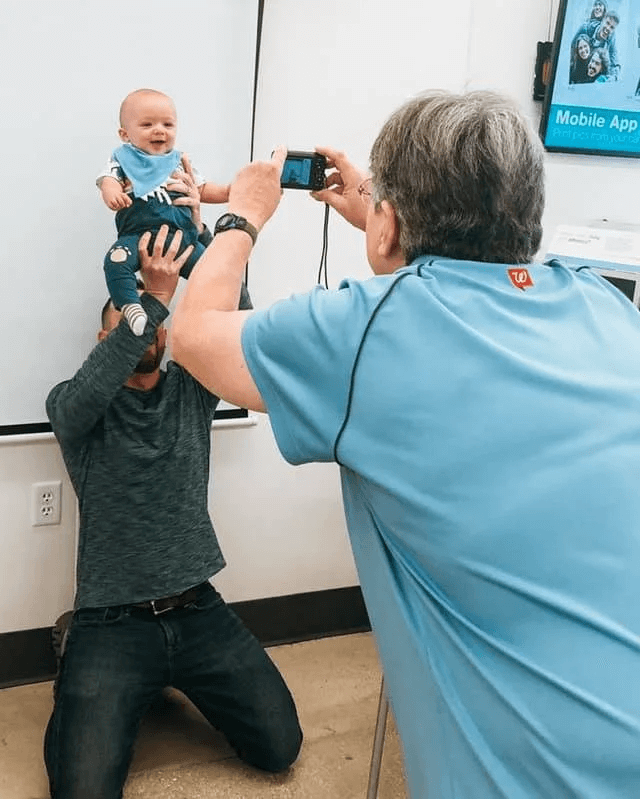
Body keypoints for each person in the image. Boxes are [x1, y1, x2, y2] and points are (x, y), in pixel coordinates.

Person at [170, 90, 640, 798]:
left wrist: (242, 215)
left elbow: (193, 334)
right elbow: (468, 277)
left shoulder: (366, 332)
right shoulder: (606, 305)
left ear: (388, 227)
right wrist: (378, 215)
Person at [44, 223, 302, 799]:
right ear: (102, 339)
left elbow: (239, 329)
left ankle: (161, 681)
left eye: (153, 320)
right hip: (110, 623)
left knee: (279, 747)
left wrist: (201, 240)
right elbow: (107, 369)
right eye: (127, 318)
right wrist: (154, 300)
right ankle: (77, 656)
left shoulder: (189, 389)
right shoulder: (75, 405)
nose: (146, 329)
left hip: (197, 610)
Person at [97, 88, 229, 335]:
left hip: (184, 241)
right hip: (138, 239)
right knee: (115, 262)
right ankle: (131, 306)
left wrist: (231, 191)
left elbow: (203, 189)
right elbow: (108, 180)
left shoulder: (179, 161)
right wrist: (112, 192)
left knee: (215, 273)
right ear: (124, 134)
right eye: (147, 124)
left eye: (168, 124)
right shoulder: (122, 159)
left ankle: (216, 320)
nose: (160, 130)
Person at [574, 10, 621, 80]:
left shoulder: (611, 38)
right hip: (578, 66)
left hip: (591, 72)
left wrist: (614, 77)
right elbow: (569, 47)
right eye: (607, 23)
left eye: (612, 27)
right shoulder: (586, 27)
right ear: (602, 20)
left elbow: (614, 61)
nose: (608, 28)